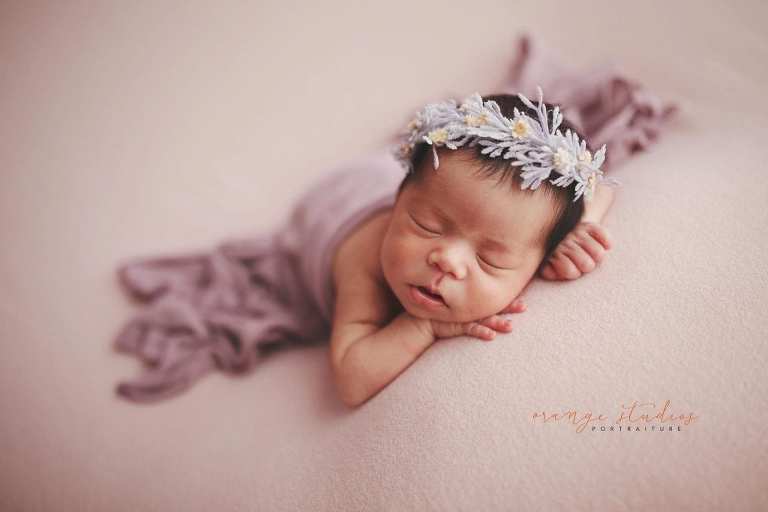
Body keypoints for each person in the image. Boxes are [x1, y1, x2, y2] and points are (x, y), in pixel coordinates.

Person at [329, 89, 618, 407]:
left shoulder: (524, 225)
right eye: (427, 226)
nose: (448, 261)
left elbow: (601, 188)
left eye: (489, 259)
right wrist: (422, 325)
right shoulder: (362, 259)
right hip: (335, 204)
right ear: (397, 204)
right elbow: (351, 381)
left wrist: (574, 231)